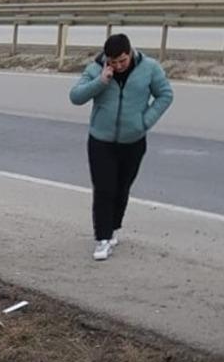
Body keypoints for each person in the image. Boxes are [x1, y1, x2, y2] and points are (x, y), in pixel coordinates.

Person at [69, 33, 173, 262]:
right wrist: (101, 81)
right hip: (101, 140)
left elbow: (165, 95)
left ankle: (114, 227)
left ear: (130, 53)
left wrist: (144, 122)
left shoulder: (149, 68)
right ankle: (102, 239)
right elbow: (75, 96)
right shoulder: (97, 69)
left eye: (122, 61)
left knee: (122, 188)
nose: (117, 66)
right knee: (104, 188)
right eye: (112, 62)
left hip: (133, 141)